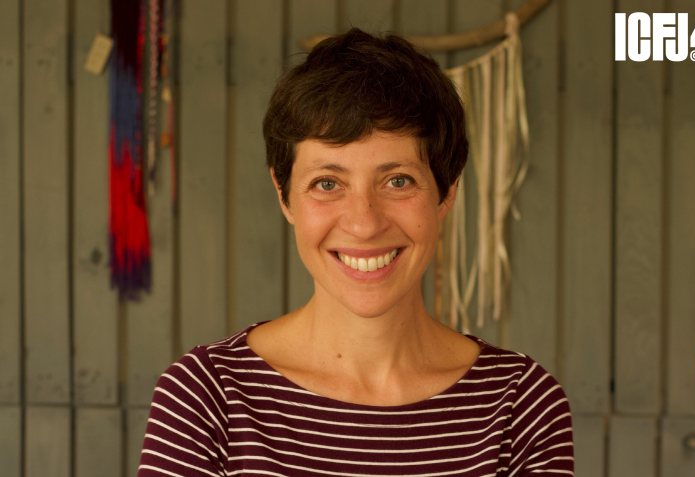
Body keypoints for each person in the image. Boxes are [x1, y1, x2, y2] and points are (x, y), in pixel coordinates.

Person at [137, 28, 573, 476]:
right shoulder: (207, 396)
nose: (364, 223)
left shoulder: (521, 406)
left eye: (398, 181)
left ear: (446, 193)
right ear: (284, 196)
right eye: (328, 184)